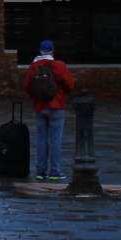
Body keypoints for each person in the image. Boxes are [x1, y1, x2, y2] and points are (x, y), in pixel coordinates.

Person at [21, 39, 76, 181]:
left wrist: (36, 97)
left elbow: (26, 86)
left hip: (40, 107)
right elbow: (70, 84)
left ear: (40, 50)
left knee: (41, 140)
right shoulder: (59, 65)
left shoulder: (33, 66)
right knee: (55, 140)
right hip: (57, 107)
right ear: (52, 51)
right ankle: (55, 172)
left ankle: (40, 172)